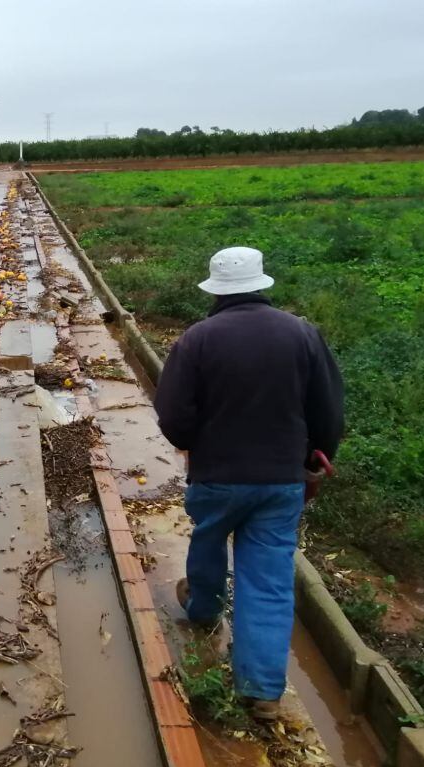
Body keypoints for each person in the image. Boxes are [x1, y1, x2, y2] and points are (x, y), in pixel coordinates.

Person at [153, 246, 344, 720]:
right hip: (281, 481)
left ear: (215, 291)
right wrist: (316, 460)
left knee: (209, 538)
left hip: (216, 476)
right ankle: (261, 690)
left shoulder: (196, 340)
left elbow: (173, 416)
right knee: (269, 578)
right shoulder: (302, 334)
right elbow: (328, 412)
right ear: (262, 285)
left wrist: (195, 443)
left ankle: (201, 608)